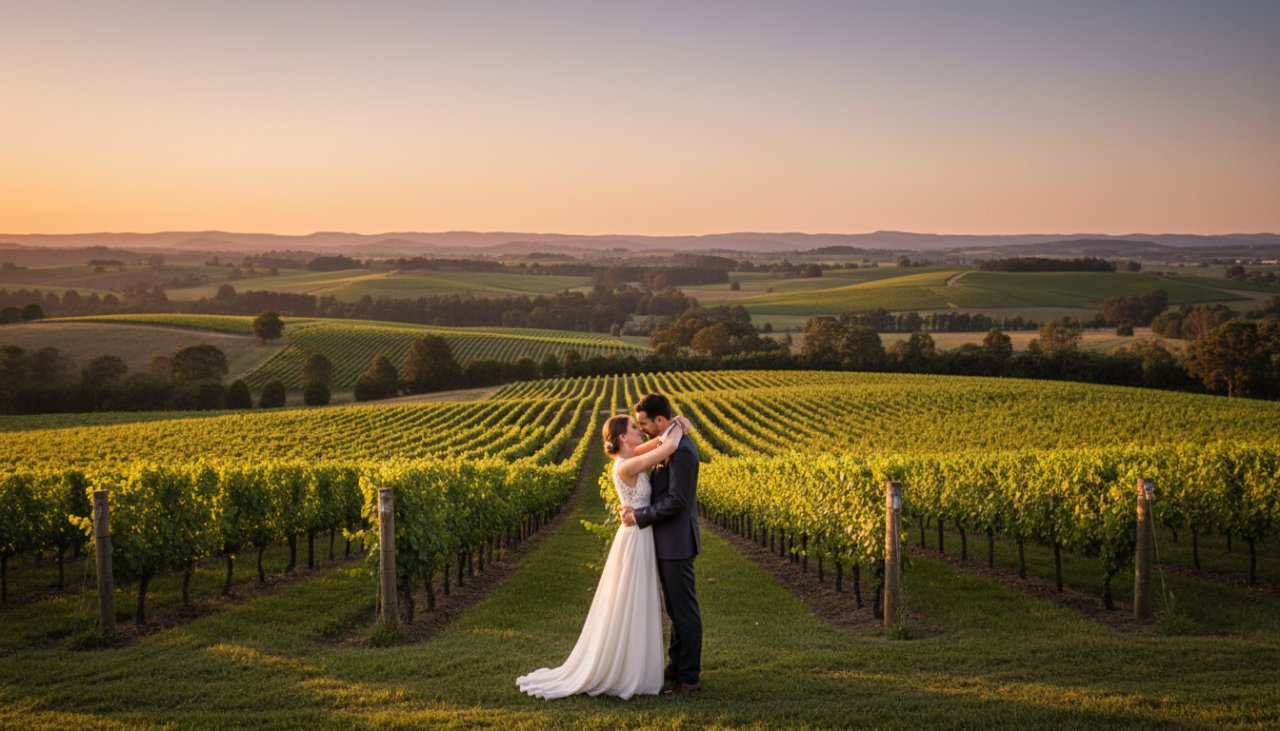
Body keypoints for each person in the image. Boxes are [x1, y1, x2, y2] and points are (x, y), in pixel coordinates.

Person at [516, 411, 690, 700]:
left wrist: (676, 424)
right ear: (622, 437)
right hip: (636, 539)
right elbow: (668, 447)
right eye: (635, 428)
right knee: (632, 601)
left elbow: (660, 441)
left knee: (639, 599)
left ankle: (637, 666)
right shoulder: (625, 466)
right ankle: (628, 669)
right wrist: (678, 426)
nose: (640, 431)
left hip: (640, 534)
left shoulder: (630, 456)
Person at [621, 393, 702, 695]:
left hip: (677, 541)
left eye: (644, 423)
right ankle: (676, 666)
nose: (641, 429)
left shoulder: (681, 451)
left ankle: (689, 678)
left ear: (660, 420)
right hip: (667, 539)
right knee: (675, 609)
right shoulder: (668, 441)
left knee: (685, 611)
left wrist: (640, 516)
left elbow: (678, 500)